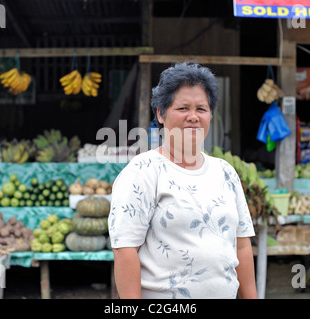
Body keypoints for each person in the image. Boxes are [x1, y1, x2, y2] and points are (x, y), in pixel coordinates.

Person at [108, 62, 257, 299]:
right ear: (160, 114)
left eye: (201, 109)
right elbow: (125, 250)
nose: (193, 117)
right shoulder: (142, 172)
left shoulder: (225, 172)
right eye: (183, 108)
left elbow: (242, 244)